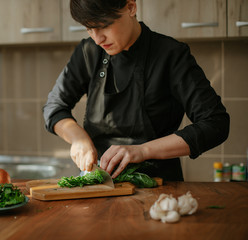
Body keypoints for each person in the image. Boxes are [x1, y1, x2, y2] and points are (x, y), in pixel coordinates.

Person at [43, 0, 230, 181]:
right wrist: (78, 139)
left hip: (159, 187)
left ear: (131, 7)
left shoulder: (171, 55)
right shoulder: (88, 52)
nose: (97, 39)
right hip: (98, 184)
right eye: (89, 29)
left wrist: (143, 150)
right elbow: (54, 107)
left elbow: (216, 123)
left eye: (104, 26)